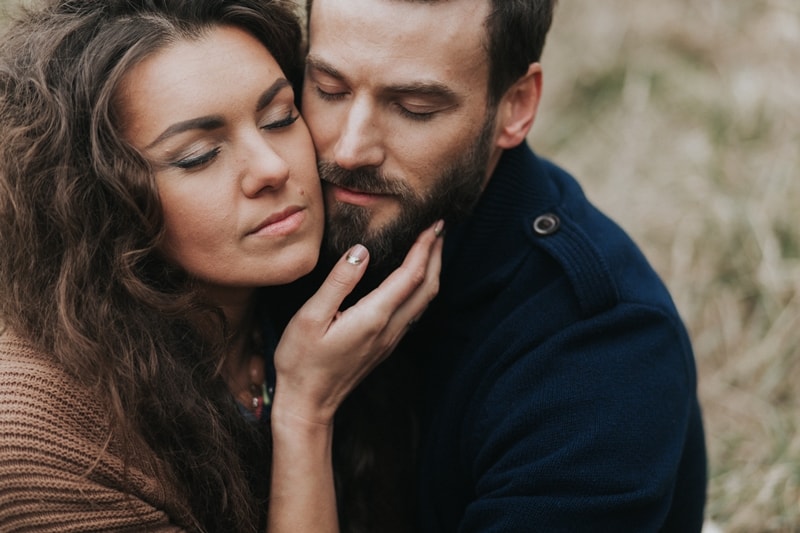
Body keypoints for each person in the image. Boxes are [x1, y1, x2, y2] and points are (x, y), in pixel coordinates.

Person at [0, 1, 442, 532]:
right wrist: (305, 414)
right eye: (198, 155)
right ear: (98, 201)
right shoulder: (38, 435)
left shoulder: (302, 306)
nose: (272, 168)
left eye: (280, 118)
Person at [295, 0, 709, 530]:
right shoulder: (274, 224)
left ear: (515, 106)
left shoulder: (603, 353)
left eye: (415, 107)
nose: (350, 150)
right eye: (329, 89)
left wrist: (305, 411)